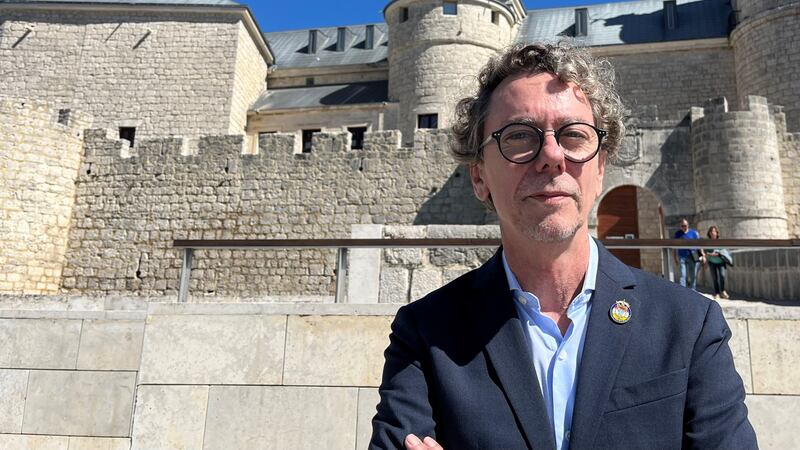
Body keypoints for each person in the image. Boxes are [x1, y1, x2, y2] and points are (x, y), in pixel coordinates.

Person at [370, 42, 756, 450]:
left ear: (600, 168)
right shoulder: (425, 334)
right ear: (479, 177)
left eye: (574, 135)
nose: (552, 155)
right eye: (519, 136)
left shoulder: (689, 325)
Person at [673, 218, 702, 290]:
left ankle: (692, 290)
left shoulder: (694, 233)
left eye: (685, 226)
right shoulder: (677, 234)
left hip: (692, 256)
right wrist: (675, 258)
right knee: (682, 275)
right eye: (682, 226)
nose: (684, 227)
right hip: (682, 256)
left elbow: (699, 244)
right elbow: (674, 247)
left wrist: (702, 255)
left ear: (688, 225)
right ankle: (682, 291)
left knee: (693, 275)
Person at [705, 225, 732, 300]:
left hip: (720, 261)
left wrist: (718, 254)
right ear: (709, 233)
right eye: (711, 231)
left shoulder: (720, 241)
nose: (713, 233)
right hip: (711, 261)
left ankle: (722, 291)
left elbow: (724, 251)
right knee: (714, 278)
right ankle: (717, 293)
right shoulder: (707, 242)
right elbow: (705, 252)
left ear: (717, 233)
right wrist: (711, 254)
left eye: (714, 231)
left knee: (722, 276)